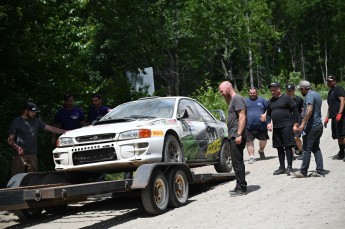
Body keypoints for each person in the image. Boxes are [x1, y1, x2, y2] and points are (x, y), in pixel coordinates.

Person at [8, 101, 66, 176]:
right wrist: (17, 147)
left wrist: (65, 131)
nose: (34, 114)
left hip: (33, 156)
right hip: (19, 157)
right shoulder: (16, 122)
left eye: (35, 112)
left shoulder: (36, 121)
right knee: (17, 179)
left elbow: (51, 128)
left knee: (32, 180)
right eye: (32, 112)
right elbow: (10, 140)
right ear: (26, 111)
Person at [219, 81, 247, 196]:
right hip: (233, 134)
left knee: (237, 161)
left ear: (228, 88)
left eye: (222, 91)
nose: (221, 94)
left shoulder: (237, 99)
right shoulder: (232, 101)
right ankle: (239, 186)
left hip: (237, 134)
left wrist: (239, 134)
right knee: (236, 161)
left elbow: (242, 116)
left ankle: (242, 188)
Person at [293, 81, 324, 178]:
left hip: (312, 126)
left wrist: (302, 124)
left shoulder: (309, 96)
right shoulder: (316, 94)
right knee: (316, 148)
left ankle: (303, 172)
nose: (300, 91)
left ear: (304, 88)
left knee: (306, 148)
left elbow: (309, 110)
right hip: (318, 125)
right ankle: (320, 170)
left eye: (300, 89)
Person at [266, 82, 298, 176]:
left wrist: (295, 123)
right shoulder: (270, 101)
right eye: (271, 90)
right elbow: (268, 114)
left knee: (288, 146)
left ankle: (289, 167)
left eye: (274, 90)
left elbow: (295, 110)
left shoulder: (286, 98)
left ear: (279, 89)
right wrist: (268, 123)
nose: (272, 92)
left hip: (287, 126)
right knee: (279, 147)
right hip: (276, 127)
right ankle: (282, 167)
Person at [245, 87, 270, 164]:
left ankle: (261, 150)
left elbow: (269, 109)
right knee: (249, 141)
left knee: (263, 140)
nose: (252, 94)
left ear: (256, 93)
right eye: (251, 93)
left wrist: (265, 114)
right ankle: (251, 157)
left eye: (254, 93)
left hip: (261, 125)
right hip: (249, 126)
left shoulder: (262, 100)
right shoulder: (245, 101)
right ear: (249, 93)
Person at [324, 75, 345, 160]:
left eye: (330, 81)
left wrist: (340, 113)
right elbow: (331, 106)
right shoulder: (330, 92)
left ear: (335, 81)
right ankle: (342, 153)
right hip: (334, 118)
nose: (329, 82)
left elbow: (343, 100)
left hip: (341, 117)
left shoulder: (338, 89)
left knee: (343, 136)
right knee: (338, 136)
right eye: (328, 81)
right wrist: (327, 118)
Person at [286, 83, 304, 159]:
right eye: (288, 90)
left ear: (294, 90)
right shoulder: (285, 100)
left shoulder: (299, 99)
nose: (289, 92)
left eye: (290, 90)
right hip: (287, 121)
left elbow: (303, 111)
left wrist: (303, 121)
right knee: (289, 139)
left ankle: (301, 151)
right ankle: (291, 154)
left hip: (297, 121)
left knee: (296, 138)